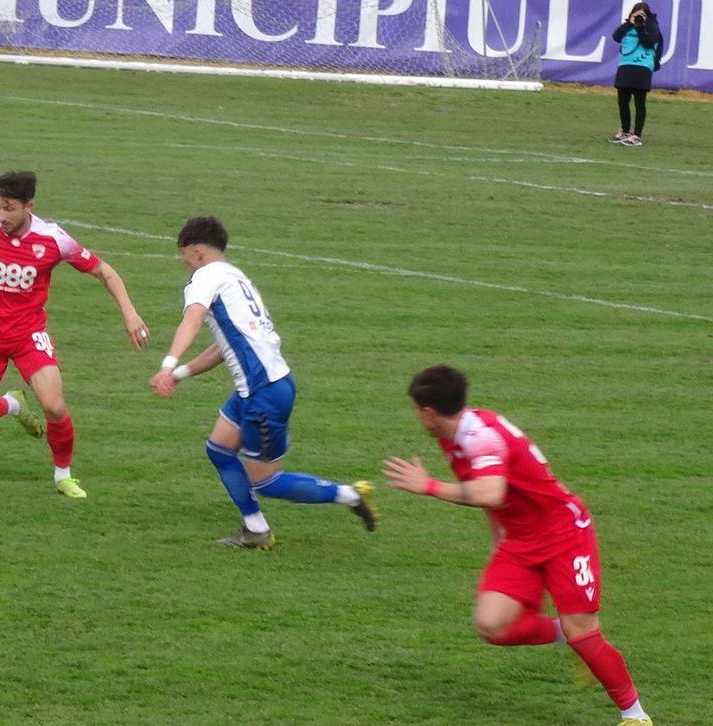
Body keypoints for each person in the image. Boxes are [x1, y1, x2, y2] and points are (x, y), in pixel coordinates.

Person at [383, 365, 650, 726]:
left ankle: (635, 715)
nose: (415, 416)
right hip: (521, 540)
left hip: (564, 535)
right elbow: (493, 494)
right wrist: (499, 541)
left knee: (585, 633)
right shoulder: (452, 434)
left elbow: (490, 492)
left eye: (416, 409)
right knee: (492, 625)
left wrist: (429, 486)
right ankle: (564, 634)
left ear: (429, 412)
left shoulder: (480, 438)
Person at [149, 216, 378, 549]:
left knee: (267, 481)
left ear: (197, 252)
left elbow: (193, 319)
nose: (184, 264)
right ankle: (256, 529)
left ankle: (349, 495)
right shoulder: (235, 277)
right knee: (219, 449)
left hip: (263, 393)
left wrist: (166, 364)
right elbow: (223, 348)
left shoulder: (205, 276)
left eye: (184, 256)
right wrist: (179, 374)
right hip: (263, 386)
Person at [0, 171, 150, 499]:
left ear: (29, 206)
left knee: (54, 405)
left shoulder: (53, 239)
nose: (1, 215)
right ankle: (13, 404)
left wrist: (129, 313)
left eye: (9, 208)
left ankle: (63, 475)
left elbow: (103, 271)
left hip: (28, 335)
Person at [608, 2, 662, 148]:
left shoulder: (652, 27)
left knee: (639, 102)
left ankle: (637, 135)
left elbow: (649, 43)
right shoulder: (628, 26)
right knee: (622, 100)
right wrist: (629, 23)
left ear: (648, 16)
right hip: (625, 65)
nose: (639, 17)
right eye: (636, 14)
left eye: (643, 14)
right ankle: (625, 131)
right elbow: (616, 37)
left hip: (642, 67)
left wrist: (640, 27)